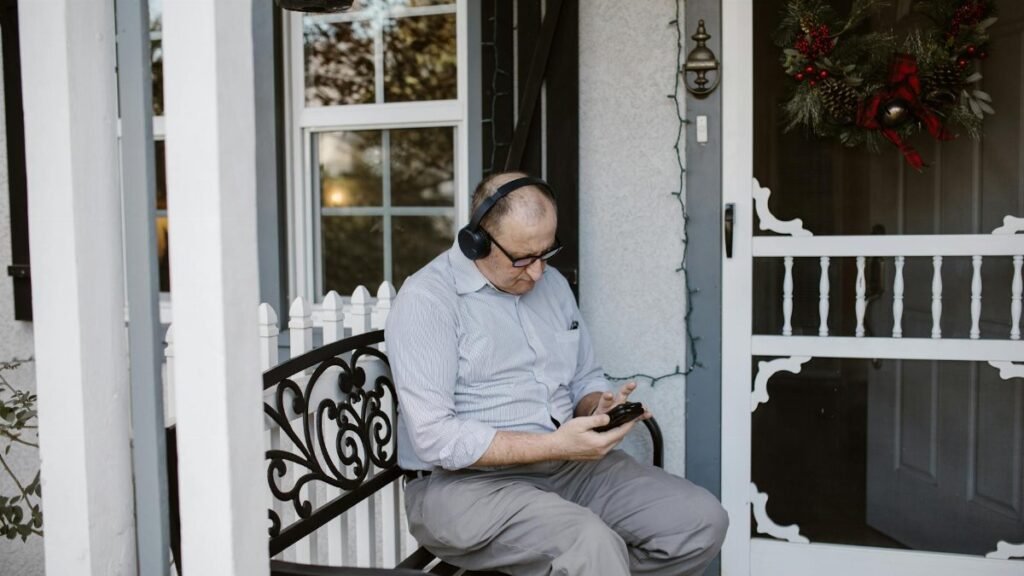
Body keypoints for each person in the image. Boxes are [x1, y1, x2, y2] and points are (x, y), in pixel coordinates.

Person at [385, 172, 728, 576]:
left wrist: (598, 407)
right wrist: (553, 445)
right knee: (591, 547)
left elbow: (584, 376)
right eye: (522, 258)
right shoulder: (428, 300)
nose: (536, 273)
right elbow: (434, 437)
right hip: (464, 488)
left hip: (566, 466)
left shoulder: (553, 285)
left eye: (546, 253)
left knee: (700, 521)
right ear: (475, 241)